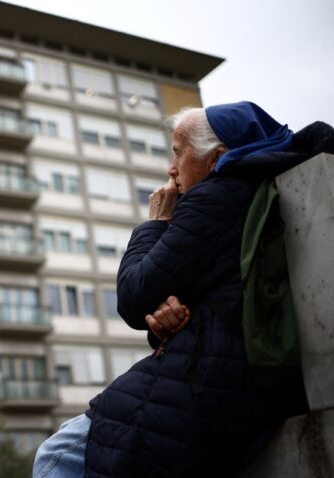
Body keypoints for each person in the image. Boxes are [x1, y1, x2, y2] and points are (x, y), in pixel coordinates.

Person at [33, 101, 334, 478]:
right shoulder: (252, 190)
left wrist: (156, 222)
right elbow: (216, 293)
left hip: (212, 387)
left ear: (217, 158)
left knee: (58, 456)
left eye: (178, 153)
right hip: (233, 379)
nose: (171, 169)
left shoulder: (217, 196)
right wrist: (169, 320)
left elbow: (133, 297)